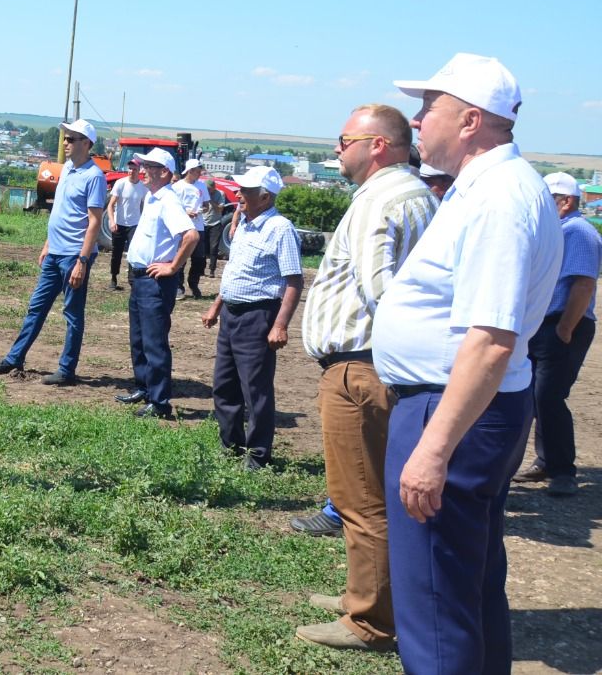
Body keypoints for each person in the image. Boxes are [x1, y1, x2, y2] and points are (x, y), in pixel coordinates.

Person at [374, 53, 561, 675]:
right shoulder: (489, 189)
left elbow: (490, 338)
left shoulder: (499, 199)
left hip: (450, 409)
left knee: (433, 605)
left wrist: (433, 448)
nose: (418, 121)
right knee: (467, 586)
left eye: (430, 108)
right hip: (466, 406)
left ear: (471, 119)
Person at [293, 103, 437, 653]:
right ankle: (371, 593)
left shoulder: (379, 201)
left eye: (343, 138)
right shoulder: (416, 195)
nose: (336, 149)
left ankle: (370, 618)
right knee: (375, 492)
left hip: (360, 365)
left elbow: (385, 293)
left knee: (359, 497)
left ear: (377, 144)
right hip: (381, 366)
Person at [0, 119, 107, 384]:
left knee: (72, 314)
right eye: (65, 138)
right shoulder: (68, 170)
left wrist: (82, 261)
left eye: (71, 139)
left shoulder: (94, 176)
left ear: (86, 143)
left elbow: (94, 221)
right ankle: (14, 358)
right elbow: (60, 211)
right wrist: (48, 244)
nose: (65, 143)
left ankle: (66, 370)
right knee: (36, 308)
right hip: (55, 253)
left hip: (75, 255)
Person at [201, 165, 303, 470]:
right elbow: (237, 272)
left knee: (255, 389)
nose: (239, 195)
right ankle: (230, 444)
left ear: (265, 196)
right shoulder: (245, 225)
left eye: (245, 191)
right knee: (224, 384)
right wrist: (216, 306)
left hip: (258, 316)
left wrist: (280, 325)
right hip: (231, 315)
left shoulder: (280, 229)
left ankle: (258, 455)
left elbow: (294, 281)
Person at [512, 172, 599, 498]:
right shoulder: (559, 231)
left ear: (565, 202)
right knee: (535, 396)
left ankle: (563, 471)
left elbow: (583, 284)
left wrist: (564, 328)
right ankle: (547, 462)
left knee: (548, 397)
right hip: (545, 325)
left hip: (563, 325)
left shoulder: (578, 232)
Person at [116, 148, 199, 420]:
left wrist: (173, 267)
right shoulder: (153, 198)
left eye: (148, 166)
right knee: (138, 339)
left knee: (154, 342)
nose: (142, 170)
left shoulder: (168, 201)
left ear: (164, 172)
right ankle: (145, 388)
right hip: (141, 278)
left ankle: (160, 401)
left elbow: (190, 236)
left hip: (155, 281)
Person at [105, 158, 147, 290]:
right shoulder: (120, 183)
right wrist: (112, 221)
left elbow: (145, 207)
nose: (131, 171)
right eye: (129, 168)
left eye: (134, 169)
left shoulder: (142, 187)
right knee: (116, 252)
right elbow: (110, 205)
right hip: (119, 223)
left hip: (134, 224)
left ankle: (132, 280)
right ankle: (113, 278)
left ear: (139, 171)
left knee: (133, 252)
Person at [177, 158, 210, 297]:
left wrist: (202, 209)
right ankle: (178, 287)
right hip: (183, 226)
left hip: (198, 226)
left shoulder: (201, 186)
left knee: (199, 259)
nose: (199, 174)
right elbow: (173, 207)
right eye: (197, 171)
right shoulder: (178, 187)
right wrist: (186, 212)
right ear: (190, 171)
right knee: (181, 257)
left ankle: (193, 283)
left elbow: (207, 205)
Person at [202, 174, 229, 277]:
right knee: (203, 249)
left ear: (214, 187)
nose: (208, 191)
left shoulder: (220, 194)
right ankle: (201, 270)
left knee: (213, 248)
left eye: (209, 189)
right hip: (204, 222)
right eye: (206, 189)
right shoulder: (203, 193)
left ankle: (212, 270)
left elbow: (220, 209)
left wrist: (210, 200)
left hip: (215, 223)